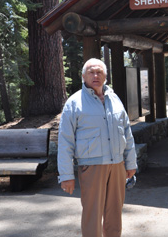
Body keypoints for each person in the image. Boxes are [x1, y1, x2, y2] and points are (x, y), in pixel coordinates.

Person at [57, 58, 137, 237]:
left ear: (105, 76)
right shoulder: (74, 102)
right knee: (92, 215)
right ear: (83, 76)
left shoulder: (114, 99)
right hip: (91, 167)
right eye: (91, 72)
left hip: (117, 165)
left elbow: (127, 133)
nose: (95, 75)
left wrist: (131, 163)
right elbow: (65, 141)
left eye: (99, 72)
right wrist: (66, 175)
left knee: (114, 214)